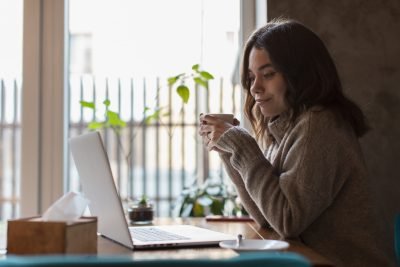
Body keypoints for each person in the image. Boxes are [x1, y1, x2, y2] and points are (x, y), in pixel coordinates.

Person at [199, 18, 394, 267]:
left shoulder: (319, 124)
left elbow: (286, 219)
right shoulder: (285, 127)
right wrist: (228, 149)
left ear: (300, 74)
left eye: (268, 74)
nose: (255, 88)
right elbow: (266, 216)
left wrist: (240, 144)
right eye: (251, 77)